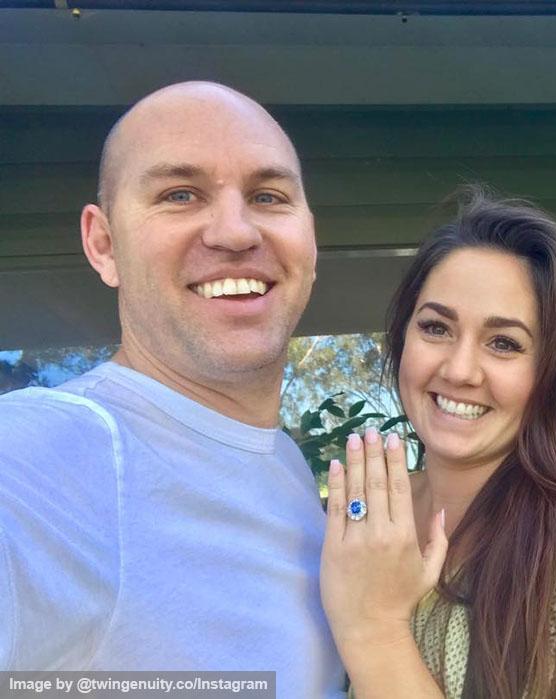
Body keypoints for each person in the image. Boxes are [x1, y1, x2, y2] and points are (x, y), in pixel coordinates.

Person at [0, 81, 345, 695]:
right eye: (179, 195)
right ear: (104, 244)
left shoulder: (285, 464)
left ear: (311, 241)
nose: (235, 232)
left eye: (267, 196)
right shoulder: (44, 459)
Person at [321, 188, 556, 698]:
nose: (459, 370)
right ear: (402, 338)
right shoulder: (363, 519)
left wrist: (375, 629)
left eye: (504, 343)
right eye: (436, 328)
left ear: (550, 373)